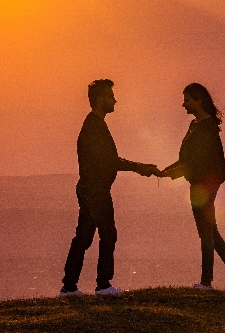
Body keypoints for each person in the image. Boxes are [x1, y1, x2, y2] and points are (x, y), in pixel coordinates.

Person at [60, 79, 160, 297]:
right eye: (110, 96)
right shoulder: (94, 127)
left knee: (84, 237)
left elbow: (109, 160)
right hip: (96, 190)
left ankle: (69, 286)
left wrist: (138, 167)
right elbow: (110, 161)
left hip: (89, 189)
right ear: (99, 100)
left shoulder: (94, 124)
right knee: (107, 234)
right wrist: (138, 167)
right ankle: (103, 285)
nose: (115, 100)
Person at [160, 82, 225, 293]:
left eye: (187, 99)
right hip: (198, 183)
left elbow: (196, 161)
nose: (184, 104)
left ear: (199, 100)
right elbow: (187, 158)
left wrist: (173, 172)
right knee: (211, 232)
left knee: (205, 233)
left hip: (205, 185)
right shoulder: (196, 125)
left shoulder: (206, 129)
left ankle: (207, 282)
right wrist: (169, 169)